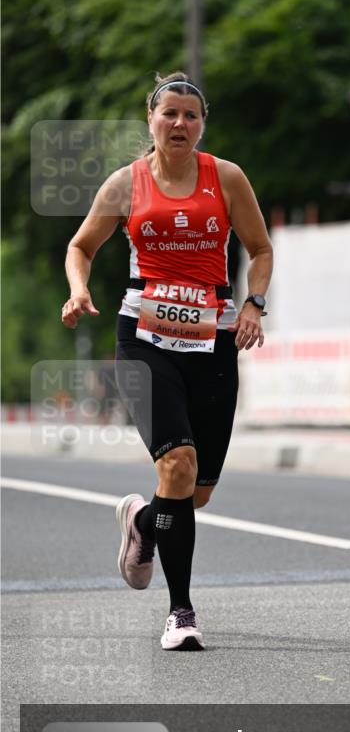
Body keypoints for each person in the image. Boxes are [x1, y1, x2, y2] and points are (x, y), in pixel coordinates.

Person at [62, 72, 273, 651]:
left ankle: (140, 522)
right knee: (176, 467)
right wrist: (79, 289)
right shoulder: (124, 185)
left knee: (194, 493)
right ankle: (181, 613)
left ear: (202, 125)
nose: (180, 124)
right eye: (169, 114)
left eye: (191, 116)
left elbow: (259, 248)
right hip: (144, 340)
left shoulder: (225, 178)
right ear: (151, 120)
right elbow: (81, 246)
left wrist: (253, 303)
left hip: (212, 342)